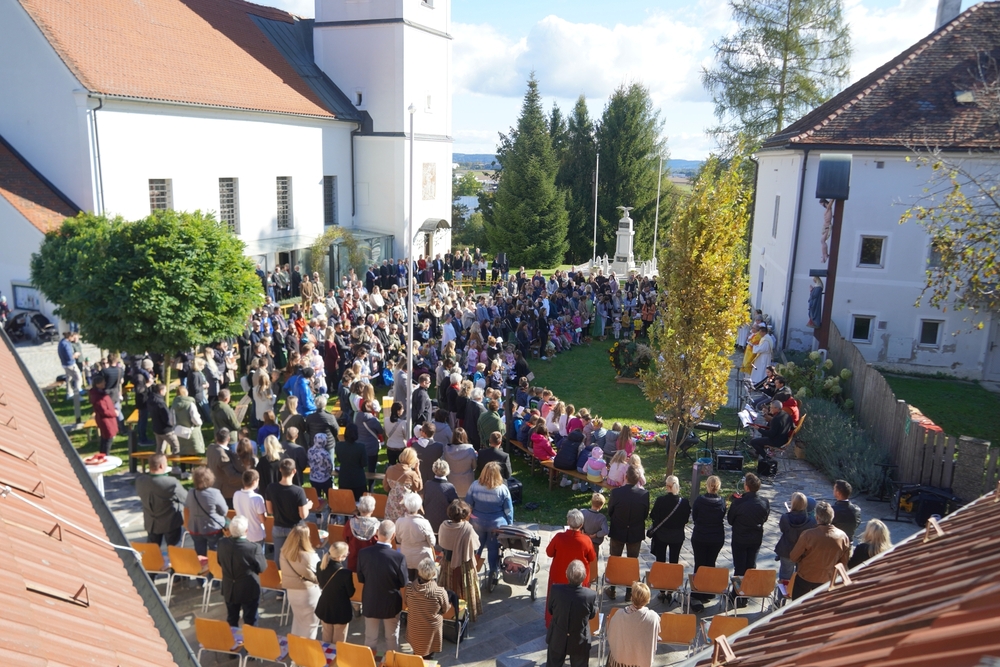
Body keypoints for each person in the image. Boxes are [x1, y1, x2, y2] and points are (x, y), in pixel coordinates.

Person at [356, 520, 408, 652]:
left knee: (370, 637)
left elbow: (361, 578)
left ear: (377, 533)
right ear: (393, 536)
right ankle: (392, 661)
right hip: (391, 603)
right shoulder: (399, 557)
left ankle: (368, 661)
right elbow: (403, 582)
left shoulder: (363, 553)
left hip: (370, 600)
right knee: (391, 637)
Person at [545, 510, 597, 628]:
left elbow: (549, 552)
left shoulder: (559, 537)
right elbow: (592, 557)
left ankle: (552, 624)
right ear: (581, 525)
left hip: (558, 577)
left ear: (568, 522)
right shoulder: (586, 540)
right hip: (579, 579)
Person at [790, 501, 851, 599]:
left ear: (817, 517)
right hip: (826, 580)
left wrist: (803, 560)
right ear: (832, 517)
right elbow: (843, 562)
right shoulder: (843, 537)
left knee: (797, 605)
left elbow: (793, 557)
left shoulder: (808, 535)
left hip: (806, 576)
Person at [606, 466, 649, 600]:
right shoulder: (644, 494)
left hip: (618, 530)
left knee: (615, 560)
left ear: (625, 477)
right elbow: (645, 514)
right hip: (635, 532)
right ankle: (629, 592)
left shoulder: (616, 493)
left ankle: (612, 589)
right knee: (632, 563)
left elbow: (610, 511)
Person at [217, 515, 268, 627]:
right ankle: (250, 639)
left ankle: (233, 638)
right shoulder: (253, 548)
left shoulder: (222, 543)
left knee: (232, 619)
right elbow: (262, 568)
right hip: (248, 589)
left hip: (229, 588)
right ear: (246, 531)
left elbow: (220, 562)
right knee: (250, 621)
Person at [437, 500, 483, 621]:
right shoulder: (467, 529)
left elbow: (441, 543)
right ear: (465, 514)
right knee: (466, 587)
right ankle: (467, 613)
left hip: (447, 563)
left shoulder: (443, 526)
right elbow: (476, 546)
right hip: (464, 565)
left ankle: (447, 610)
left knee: (447, 586)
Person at [546, 560, 597, 667]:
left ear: (567, 574)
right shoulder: (590, 595)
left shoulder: (556, 590)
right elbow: (592, 615)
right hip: (579, 639)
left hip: (558, 637)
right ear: (584, 576)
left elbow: (550, 610)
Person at [465, 461, 513, 576]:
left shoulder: (474, 486)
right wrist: (510, 524)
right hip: (496, 524)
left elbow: (468, 504)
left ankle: (471, 569)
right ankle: (493, 571)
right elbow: (508, 510)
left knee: (477, 545)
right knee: (493, 548)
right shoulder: (502, 489)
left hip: (477, 521)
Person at [265, 459, 312, 566]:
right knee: (296, 559)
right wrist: (308, 506)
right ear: (294, 471)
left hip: (278, 527)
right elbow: (303, 515)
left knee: (278, 558)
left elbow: (270, 510)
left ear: (280, 469)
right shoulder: (298, 491)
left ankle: (279, 575)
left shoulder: (271, 488)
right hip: (295, 529)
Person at [134, 452, 187, 547]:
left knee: (152, 550)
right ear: (161, 466)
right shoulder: (171, 483)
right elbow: (185, 498)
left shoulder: (140, 481)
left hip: (151, 522)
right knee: (174, 548)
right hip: (170, 522)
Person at [727, 473, 771, 585]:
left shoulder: (738, 502)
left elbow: (730, 520)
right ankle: (748, 590)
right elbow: (765, 518)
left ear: (746, 487)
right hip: (755, 539)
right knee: (751, 566)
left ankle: (737, 591)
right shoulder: (764, 502)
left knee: (739, 568)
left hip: (739, 539)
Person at [690, 475, 727, 606]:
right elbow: (722, 514)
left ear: (707, 485)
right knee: (711, 563)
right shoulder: (722, 501)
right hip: (716, 537)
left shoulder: (699, 500)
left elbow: (695, 516)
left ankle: (697, 592)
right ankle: (708, 591)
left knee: (699, 564)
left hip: (700, 536)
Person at [604, 581, 660, 667]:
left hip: (620, 661)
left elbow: (611, 634)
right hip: (641, 661)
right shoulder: (654, 617)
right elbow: (655, 635)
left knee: (612, 655)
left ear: (632, 597)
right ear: (648, 599)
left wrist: (608, 622)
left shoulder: (619, 614)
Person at [280, 524, 321, 638]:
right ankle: (307, 648)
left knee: (298, 621)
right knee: (311, 625)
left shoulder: (283, 553)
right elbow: (320, 572)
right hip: (308, 593)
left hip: (292, 592)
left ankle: (295, 646)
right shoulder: (309, 556)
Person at [406, 557, 452, 660]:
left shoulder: (409, 587)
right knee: (429, 656)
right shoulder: (440, 592)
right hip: (431, 631)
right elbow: (445, 609)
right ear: (434, 574)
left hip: (414, 627)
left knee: (417, 651)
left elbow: (407, 603)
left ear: (419, 572)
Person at [316, 541, 355, 644]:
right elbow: (350, 593)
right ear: (340, 556)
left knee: (326, 639)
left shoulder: (320, 565)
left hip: (325, 607)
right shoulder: (345, 573)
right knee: (339, 642)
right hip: (340, 610)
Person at [648, 475, 691, 568]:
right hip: (677, 535)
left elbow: (653, 515)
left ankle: (660, 576)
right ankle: (672, 576)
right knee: (674, 561)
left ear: (667, 486)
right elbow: (685, 520)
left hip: (661, 535)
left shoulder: (660, 500)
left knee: (660, 561)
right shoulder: (684, 502)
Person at [185, 466, 228, 556]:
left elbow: (187, 506)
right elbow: (224, 511)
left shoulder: (191, 492)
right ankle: (213, 565)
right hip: (213, 528)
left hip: (195, 528)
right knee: (214, 554)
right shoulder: (215, 493)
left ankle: (202, 564)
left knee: (200, 555)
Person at [775, 492, 817, 581]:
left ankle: (783, 590)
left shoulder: (785, 517)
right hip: (803, 552)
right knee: (800, 576)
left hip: (787, 550)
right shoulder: (811, 521)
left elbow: (783, 529)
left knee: (785, 577)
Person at [395, 493, 436, 579]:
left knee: (408, 583)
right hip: (422, 560)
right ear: (419, 506)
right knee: (422, 583)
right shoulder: (424, 523)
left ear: (406, 506)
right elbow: (432, 542)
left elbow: (398, 540)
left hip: (406, 557)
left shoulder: (399, 521)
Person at [206, 428, 243, 508]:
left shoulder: (211, 448)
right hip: (226, 492)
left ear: (216, 438)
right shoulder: (223, 456)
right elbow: (232, 475)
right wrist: (247, 477)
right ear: (228, 439)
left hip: (215, 487)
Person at [385, 447, 423, 522]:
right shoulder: (412, 474)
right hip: (406, 506)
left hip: (391, 503)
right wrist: (418, 471)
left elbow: (386, 487)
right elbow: (418, 487)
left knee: (391, 526)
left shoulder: (390, 469)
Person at [233, 469, 267, 546]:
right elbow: (262, 519)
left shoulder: (236, 494)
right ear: (254, 482)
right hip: (256, 535)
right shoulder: (257, 498)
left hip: (242, 533)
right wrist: (265, 513)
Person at [345, 495, 380, 571]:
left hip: (353, 560)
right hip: (370, 562)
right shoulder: (377, 526)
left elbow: (345, 537)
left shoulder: (350, 523)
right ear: (373, 509)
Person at [335, 423, 369, 501]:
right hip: (358, 480)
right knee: (360, 504)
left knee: (345, 503)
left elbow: (339, 460)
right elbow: (364, 463)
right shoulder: (361, 447)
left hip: (344, 480)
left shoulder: (339, 446)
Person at [424, 459, 459, 533]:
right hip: (445, 523)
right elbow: (456, 505)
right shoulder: (450, 487)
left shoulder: (428, 484)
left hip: (429, 522)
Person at [355, 399, 385, 485]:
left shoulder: (358, 417)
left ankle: (361, 484)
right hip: (371, 447)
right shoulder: (373, 420)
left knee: (361, 467)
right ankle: (371, 487)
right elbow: (380, 431)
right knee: (371, 469)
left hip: (360, 446)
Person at [171, 385, 205, 457]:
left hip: (179, 432)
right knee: (192, 453)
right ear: (186, 393)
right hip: (191, 432)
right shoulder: (190, 404)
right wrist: (200, 422)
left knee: (182, 452)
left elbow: (171, 419)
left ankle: (183, 464)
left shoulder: (174, 405)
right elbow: (195, 418)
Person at [88, 374, 119, 456]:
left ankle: (102, 455)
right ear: (98, 384)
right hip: (106, 421)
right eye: (102, 382)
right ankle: (105, 456)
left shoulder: (100, 393)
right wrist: (114, 413)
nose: (104, 383)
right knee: (108, 439)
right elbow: (103, 411)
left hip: (107, 419)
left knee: (105, 438)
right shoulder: (98, 396)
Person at [443, 428, 478, 498]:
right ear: (465, 437)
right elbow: (474, 466)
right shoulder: (470, 450)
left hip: (451, 484)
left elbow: (445, 466)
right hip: (467, 484)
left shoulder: (447, 450)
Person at [149, 383, 180, 456]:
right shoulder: (161, 403)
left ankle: (158, 462)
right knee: (176, 447)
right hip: (166, 430)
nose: (166, 391)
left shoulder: (151, 399)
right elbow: (166, 417)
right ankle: (175, 462)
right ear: (161, 391)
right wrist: (172, 425)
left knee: (160, 449)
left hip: (157, 428)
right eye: (165, 390)